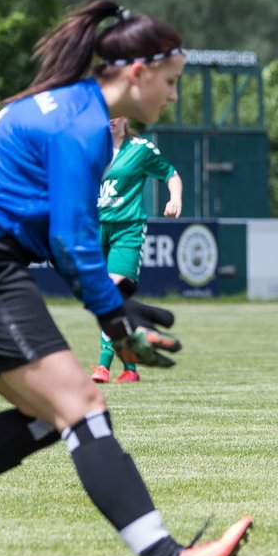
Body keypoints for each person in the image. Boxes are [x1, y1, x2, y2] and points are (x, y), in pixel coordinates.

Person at [0, 0, 252, 556]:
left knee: (47, 418)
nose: (173, 96)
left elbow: (62, 236)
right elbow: (72, 242)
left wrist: (115, 310)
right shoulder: (83, 126)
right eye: (171, 81)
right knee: (82, 405)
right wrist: (115, 318)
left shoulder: (72, 108)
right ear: (136, 73)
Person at [91, 116, 183, 384]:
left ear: (126, 117)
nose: (110, 118)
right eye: (105, 112)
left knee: (111, 291)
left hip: (126, 231)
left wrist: (174, 198)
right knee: (103, 299)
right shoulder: (89, 148)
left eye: (117, 113)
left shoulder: (140, 149)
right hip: (95, 229)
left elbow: (171, 174)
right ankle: (130, 366)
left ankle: (103, 365)